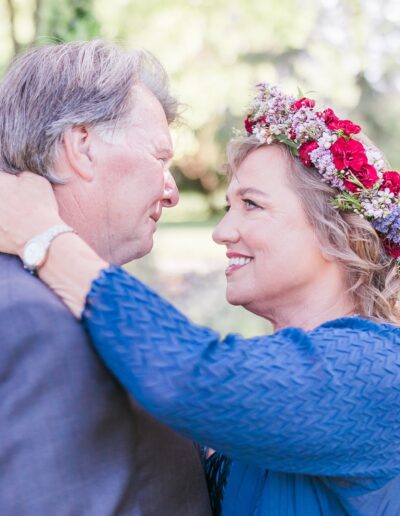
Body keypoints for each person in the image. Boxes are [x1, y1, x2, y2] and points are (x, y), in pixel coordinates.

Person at [1, 83, 400, 515]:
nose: (222, 232)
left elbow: (194, 378)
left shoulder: (380, 368)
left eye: (251, 204)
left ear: (333, 231)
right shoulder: (276, 385)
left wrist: (45, 235)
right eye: (229, 206)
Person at [0, 40, 211, 515]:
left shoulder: (65, 294)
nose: (172, 191)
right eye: (160, 159)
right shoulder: (29, 320)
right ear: (82, 146)